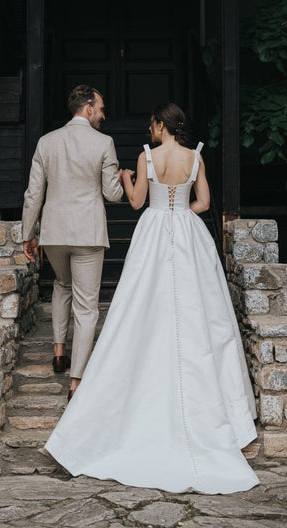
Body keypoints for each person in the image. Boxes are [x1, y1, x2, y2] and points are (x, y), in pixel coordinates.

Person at [44, 102, 261, 494]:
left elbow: (137, 202)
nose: (150, 130)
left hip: (154, 232)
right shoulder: (195, 156)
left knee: (141, 310)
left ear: (162, 126)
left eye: (152, 125)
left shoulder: (148, 157)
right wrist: (182, 214)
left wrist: (128, 179)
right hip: (188, 233)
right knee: (201, 315)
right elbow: (205, 203)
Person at [22, 84, 132, 402]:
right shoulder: (104, 143)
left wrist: (28, 233)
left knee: (61, 284)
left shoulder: (46, 142)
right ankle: (76, 383)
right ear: (87, 108)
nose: (103, 114)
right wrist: (124, 178)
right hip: (88, 233)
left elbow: (33, 194)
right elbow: (112, 194)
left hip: (54, 233)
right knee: (87, 307)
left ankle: (59, 351)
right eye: (100, 108)